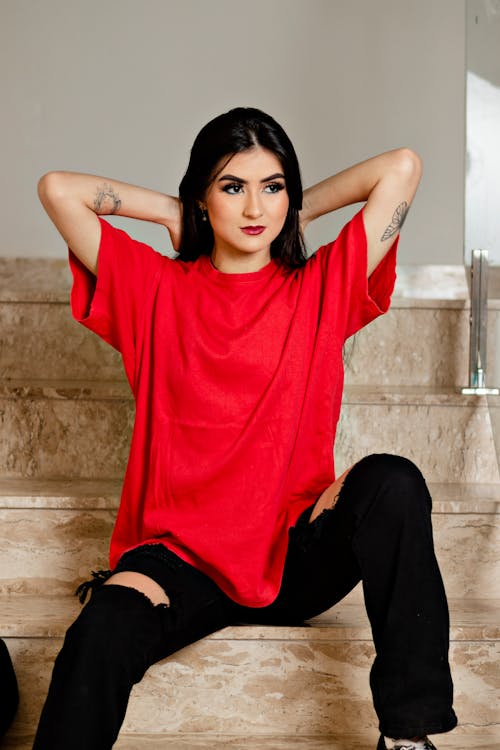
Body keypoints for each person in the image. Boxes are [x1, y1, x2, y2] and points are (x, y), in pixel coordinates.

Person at [34, 107, 457, 750]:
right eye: (232, 187)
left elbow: (402, 167)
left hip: (290, 558)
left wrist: (302, 213)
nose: (255, 206)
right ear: (204, 197)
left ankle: (407, 738)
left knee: (393, 483)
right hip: (181, 559)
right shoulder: (154, 290)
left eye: (273, 186)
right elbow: (58, 190)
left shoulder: (320, 288)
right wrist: (178, 214)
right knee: (101, 630)